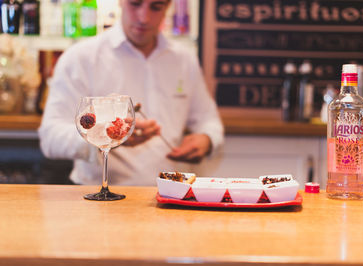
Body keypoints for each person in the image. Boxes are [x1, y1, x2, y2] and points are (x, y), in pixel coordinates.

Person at [38, 0, 224, 186]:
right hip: (98, 198)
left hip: (169, 194)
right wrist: (108, 136)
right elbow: (50, 137)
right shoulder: (80, 58)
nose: (144, 18)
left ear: (168, 7)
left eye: (156, 7)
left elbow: (209, 120)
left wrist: (206, 140)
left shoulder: (184, 60)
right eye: (135, 4)